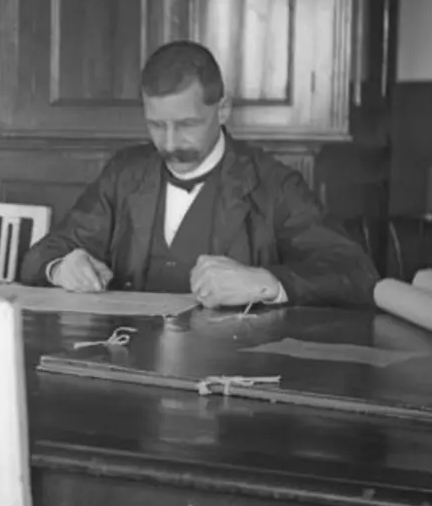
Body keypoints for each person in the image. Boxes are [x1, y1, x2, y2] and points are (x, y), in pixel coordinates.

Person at [20, 40, 378, 309]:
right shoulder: (124, 174)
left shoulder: (274, 184)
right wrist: (61, 267)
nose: (170, 144)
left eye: (187, 124)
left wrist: (267, 282)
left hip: (231, 367)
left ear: (223, 110)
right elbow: (40, 255)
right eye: (156, 125)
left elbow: (354, 271)